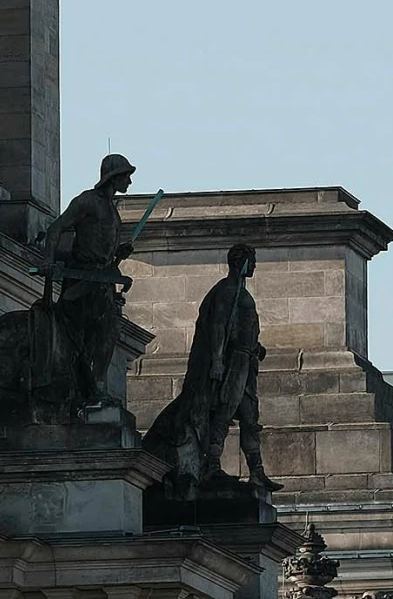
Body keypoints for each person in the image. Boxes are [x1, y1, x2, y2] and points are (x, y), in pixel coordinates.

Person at [143, 243, 278, 497]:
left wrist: (255, 347)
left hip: (246, 362)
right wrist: (217, 361)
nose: (256, 266)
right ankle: (212, 463)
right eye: (253, 260)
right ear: (242, 263)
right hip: (233, 363)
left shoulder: (241, 292)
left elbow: (240, 327)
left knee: (250, 418)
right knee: (224, 413)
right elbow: (217, 327)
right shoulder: (227, 290)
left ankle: (256, 472)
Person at [44, 154, 136, 409]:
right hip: (81, 281)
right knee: (94, 331)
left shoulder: (112, 210)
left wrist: (120, 254)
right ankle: (91, 387)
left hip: (101, 281)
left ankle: (94, 385)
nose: (129, 180)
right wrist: (49, 262)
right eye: (126, 175)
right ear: (113, 177)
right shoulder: (88, 201)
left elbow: (103, 252)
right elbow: (56, 229)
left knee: (107, 331)